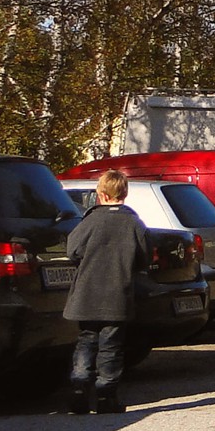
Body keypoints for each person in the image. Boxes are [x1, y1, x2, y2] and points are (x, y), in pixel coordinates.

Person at [65, 168, 149, 415]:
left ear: (100, 194)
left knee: (86, 342)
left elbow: (73, 251)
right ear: (125, 192)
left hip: (86, 294)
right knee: (111, 347)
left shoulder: (89, 220)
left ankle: (79, 392)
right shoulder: (134, 223)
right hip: (117, 294)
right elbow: (144, 258)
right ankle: (106, 396)